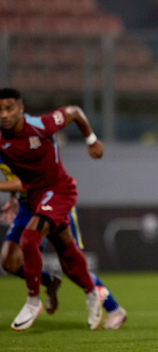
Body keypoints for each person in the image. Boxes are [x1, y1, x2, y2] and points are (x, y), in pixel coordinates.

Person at [0, 87, 107, 331]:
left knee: (28, 239)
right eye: (0, 110)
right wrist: (13, 195)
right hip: (35, 196)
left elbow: (75, 111)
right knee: (66, 252)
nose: (4, 114)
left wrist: (91, 140)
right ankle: (92, 294)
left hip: (59, 190)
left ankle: (32, 300)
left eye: (9, 108)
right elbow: (15, 172)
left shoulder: (41, 125)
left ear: (20, 109)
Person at [0, 170, 127, 330]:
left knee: (71, 265)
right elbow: (13, 174)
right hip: (28, 207)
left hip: (54, 203)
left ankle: (114, 310)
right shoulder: (5, 149)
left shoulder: (23, 145)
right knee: (9, 261)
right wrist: (13, 198)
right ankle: (49, 281)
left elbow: (28, 180)